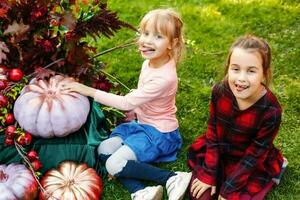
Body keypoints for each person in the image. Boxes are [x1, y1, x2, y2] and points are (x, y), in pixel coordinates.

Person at [61, 8, 192, 200]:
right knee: (104, 150)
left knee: (113, 164)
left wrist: (87, 90)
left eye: (158, 36)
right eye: (145, 33)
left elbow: (126, 103)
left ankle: (172, 178)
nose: (147, 40)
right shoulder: (150, 62)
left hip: (159, 133)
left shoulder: (164, 78)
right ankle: (141, 191)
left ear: (172, 44)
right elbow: (141, 99)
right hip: (142, 125)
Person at [187, 35, 288, 200]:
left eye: (251, 71)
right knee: (200, 196)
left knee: (234, 196)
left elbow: (255, 154)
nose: (241, 78)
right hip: (222, 151)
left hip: (250, 162)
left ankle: (278, 166)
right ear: (228, 68)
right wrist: (210, 172)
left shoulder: (271, 110)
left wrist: (228, 189)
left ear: (264, 73)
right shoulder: (220, 92)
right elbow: (212, 132)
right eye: (235, 69)